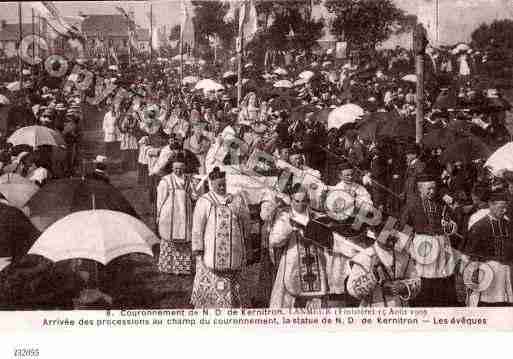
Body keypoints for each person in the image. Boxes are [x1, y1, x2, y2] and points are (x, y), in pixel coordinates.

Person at [190, 167, 251, 308]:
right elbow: (198, 227)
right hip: (210, 251)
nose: (222, 187)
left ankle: (233, 303)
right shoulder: (204, 201)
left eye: (224, 184)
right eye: (219, 185)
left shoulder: (236, 200)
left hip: (234, 249)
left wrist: (247, 246)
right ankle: (210, 304)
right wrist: (198, 248)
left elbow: (245, 222)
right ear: (211, 184)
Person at [400, 173, 459, 307]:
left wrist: (450, 226)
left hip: (442, 245)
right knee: (425, 278)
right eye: (428, 189)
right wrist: (409, 251)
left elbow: (452, 225)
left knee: (444, 277)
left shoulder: (441, 204)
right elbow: (403, 228)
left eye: (434, 188)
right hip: (423, 246)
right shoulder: (412, 205)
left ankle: (444, 303)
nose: (432, 192)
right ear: (420, 188)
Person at [269, 184, 329, 308]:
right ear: (291, 200)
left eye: (304, 201)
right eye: (297, 201)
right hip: (292, 263)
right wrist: (290, 228)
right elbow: (274, 240)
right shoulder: (285, 216)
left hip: (315, 263)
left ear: (308, 200)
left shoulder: (315, 216)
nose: (300, 204)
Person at [346, 223, 421, 307]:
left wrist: (403, 287)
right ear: (376, 233)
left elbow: (416, 281)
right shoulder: (364, 257)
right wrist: (373, 276)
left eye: (395, 231)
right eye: (387, 231)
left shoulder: (404, 256)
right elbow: (352, 290)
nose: (392, 235)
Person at [465, 190, 513, 306]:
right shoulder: (479, 226)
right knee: (487, 304)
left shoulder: (508, 225)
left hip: (506, 271)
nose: (504, 210)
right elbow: (472, 256)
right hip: (487, 273)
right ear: (491, 205)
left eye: (506, 207)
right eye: (501, 207)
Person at [156, 152, 198, 275]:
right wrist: (159, 214)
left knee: (184, 239)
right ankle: (167, 267)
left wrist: (195, 188)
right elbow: (160, 199)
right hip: (170, 214)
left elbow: (194, 196)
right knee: (169, 238)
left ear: (184, 168)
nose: (178, 171)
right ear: (172, 168)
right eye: (175, 169)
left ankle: (182, 268)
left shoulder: (189, 180)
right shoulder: (166, 181)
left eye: (180, 168)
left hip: (185, 213)